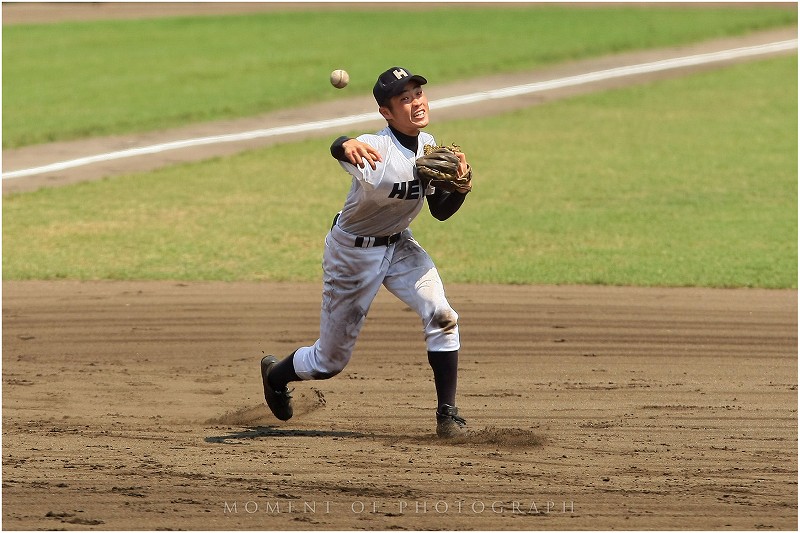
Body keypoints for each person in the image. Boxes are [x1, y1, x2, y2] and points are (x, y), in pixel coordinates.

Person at [260, 66, 473, 438]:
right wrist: (344, 143)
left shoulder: (428, 146)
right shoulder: (375, 149)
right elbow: (340, 147)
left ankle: (448, 416)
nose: (415, 103)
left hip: (400, 246)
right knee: (329, 361)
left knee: (442, 315)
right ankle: (275, 376)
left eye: (418, 94)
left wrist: (460, 188)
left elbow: (439, 212)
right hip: (352, 256)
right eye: (404, 99)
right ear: (387, 113)